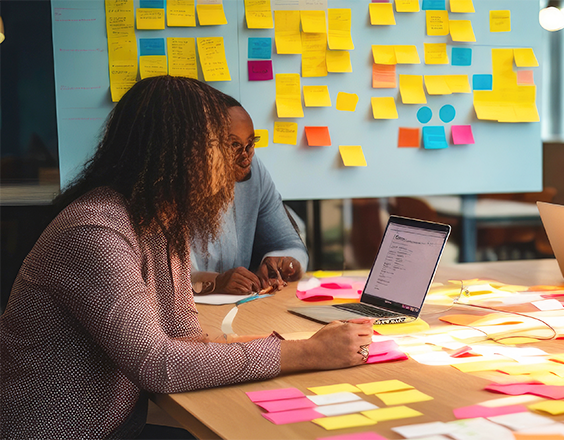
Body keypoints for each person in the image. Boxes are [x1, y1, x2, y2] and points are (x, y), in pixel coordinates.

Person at [0, 76, 374, 439]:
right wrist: (307, 353)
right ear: (176, 152)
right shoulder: (95, 232)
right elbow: (158, 363)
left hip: (119, 426)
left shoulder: (160, 220)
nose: (234, 161)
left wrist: (301, 344)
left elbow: (184, 335)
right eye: (218, 144)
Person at [190, 94, 307, 296]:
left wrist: (281, 262)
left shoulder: (254, 172)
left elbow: (290, 244)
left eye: (251, 144)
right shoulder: (172, 188)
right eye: (233, 145)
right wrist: (217, 282)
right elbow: (166, 279)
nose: (245, 157)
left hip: (237, 311)